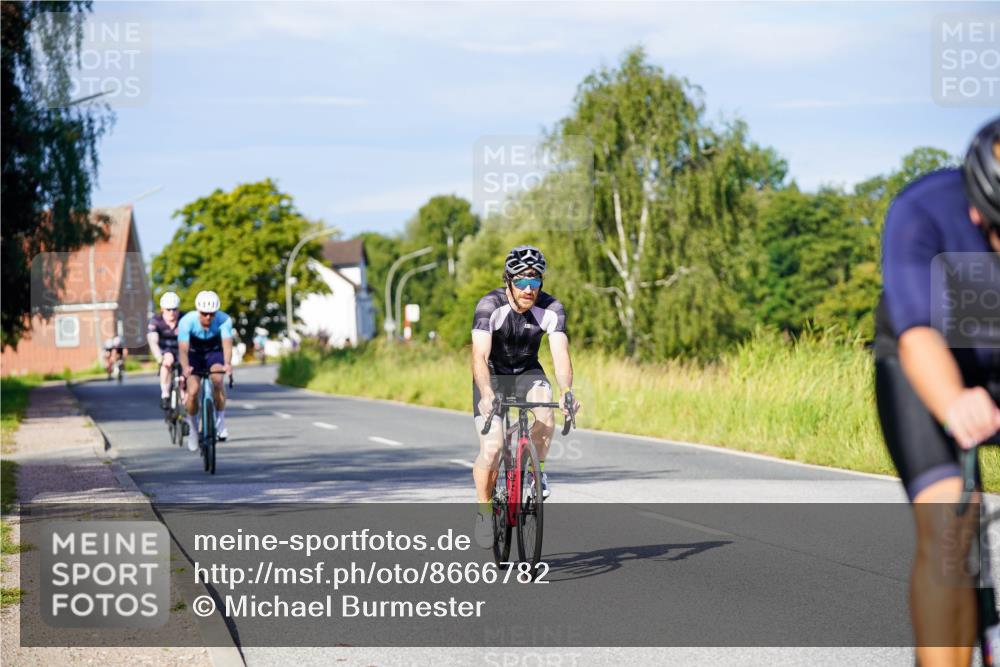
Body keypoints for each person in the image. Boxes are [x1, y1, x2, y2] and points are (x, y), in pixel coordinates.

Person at [875, 116, 1000, 666]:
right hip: (927, 362)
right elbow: (918, 336)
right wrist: (954, 402)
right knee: (953, 524)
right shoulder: (922, 209)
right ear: (976, 209)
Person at [470, 245, 581, 548]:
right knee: (491, 448)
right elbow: (478, 355)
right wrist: (486, 393)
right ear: (508, 280)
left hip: (528, 372)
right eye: (522, 282)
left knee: (546, 415)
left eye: (535, 282)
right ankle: (484, 509)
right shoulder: (489, 305)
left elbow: (560, 352)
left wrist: (567, 391)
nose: (529, 289)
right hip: (492, 374)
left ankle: (536, 473)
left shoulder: (551, 308)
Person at [177, 290, 234, 452]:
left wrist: (228, 364)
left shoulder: (224, 320)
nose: (208, 317)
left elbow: (227, 345)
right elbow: (182, 349)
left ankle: (220, 423)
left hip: (213, 353)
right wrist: (185, 367)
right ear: (198, 311)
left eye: (211, 314)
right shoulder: (186, 321)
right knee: (193, 390)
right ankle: (194, 430)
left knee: (217, 380)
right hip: (193, 354)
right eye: (204, 314)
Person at [148, 292, 185, 410]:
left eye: (175, 309)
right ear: (162, 309)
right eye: (168, 310)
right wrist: (160, 358)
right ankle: (165, 394)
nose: (172, 313)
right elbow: (153, 341)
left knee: (186, 375)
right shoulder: (156, 321)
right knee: (168, 360)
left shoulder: (184, 319)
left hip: (182, 350)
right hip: (165, 349)